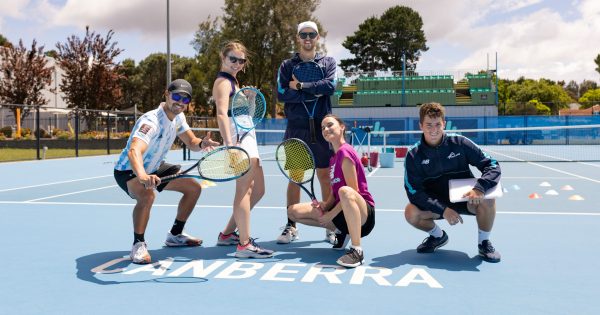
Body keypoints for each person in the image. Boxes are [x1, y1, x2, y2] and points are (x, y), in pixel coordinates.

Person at [114, 79, 219, 264]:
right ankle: (138, 245)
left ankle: (175, 235)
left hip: (154, 167)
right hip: (129, 170)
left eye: (185, 99)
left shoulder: (178, 117)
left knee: (193, 188)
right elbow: (134, 151)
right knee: (147, 196)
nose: (180, 102)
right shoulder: (151, 121)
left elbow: (192, 142)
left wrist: (201, 143)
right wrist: (143, 176)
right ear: (167, 94)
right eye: (176, 96)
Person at [403, 102, 502, 263]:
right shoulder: (414, 155)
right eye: (428, 125)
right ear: (421, 125)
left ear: (444, 124)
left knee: (489, 197)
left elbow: (492, 165)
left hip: (466, 198)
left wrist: (480, 188)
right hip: (437, 204)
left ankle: (483, 242)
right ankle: (437, 236)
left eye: (437, 124)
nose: (433, 129)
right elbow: (414, 192)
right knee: (410, 212)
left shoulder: (460, 143)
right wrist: (443, 210)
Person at [276, 21, 338, 244]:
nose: (308, 38)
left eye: (312, 34)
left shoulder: (328, 62)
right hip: (296, 129)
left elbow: (330, 86)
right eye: (304, 34)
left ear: (318, 37)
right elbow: (282, 93)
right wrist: (315, 90)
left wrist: (301, 87)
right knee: (296, 177)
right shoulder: (286, 66)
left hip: (322, 129)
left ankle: (330, 225)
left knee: (324, 176)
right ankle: (291, 226)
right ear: (298, 38)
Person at [287, 115, 376, 268]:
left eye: (329, 125)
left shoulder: (345, 152)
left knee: (345, 192)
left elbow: (352, 192)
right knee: (292, 212)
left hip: (363, 216)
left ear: (342, 127)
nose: (326, 129)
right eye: (322, 128)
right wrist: (325, 205)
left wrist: (331, 214)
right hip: (342, 212)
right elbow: (335, 193)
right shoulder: (333, 159)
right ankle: (342, 232)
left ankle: (357, 251)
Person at [212, 40, 274, 258]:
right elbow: (221, 114)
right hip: (238, 139)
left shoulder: (235, 83)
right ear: (223, 57)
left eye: (241, 60)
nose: (237, 63)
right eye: (233, 59)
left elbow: (246, 115)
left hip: (247, 135)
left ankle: (228, 234)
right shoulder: (222, 82)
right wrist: (230, 145)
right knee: (244, 190)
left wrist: (251, 99)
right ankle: (244, 244)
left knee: (258, 190)